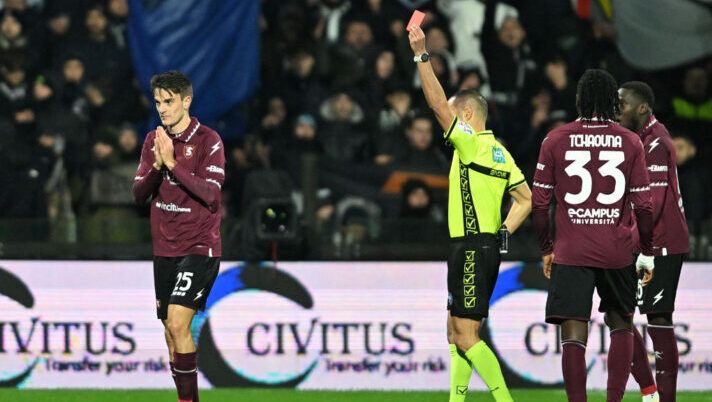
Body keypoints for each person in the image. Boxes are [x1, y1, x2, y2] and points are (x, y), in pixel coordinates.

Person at [408, 26, 532, 402]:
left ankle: (504, 400)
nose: (446, 116)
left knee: (465, 334)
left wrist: (421, 55)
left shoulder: (470, 144)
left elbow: (434, 104)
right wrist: (504, 232)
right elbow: (525, 198)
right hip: (482, 247)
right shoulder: (501, 153)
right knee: (454, 331)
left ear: (465, 113)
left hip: (471, 249)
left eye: (452, 111)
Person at [531, 69, 655, 402]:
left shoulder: (555, 139)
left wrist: (546, 247)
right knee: (621, 324)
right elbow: (644, 205)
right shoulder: (630, 142)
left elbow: (539, 203)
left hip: (570, 252)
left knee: (573, 334)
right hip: (617, 251)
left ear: (579, 99)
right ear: (613, 102)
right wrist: (646, 251)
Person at [132, 71, 225, 402]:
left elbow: (212, 196)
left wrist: (173, 163)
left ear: (186, 101)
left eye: (169, 101)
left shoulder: (208, 141)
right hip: (165, 247)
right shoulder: (153, 141)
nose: (162, 109)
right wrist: (158, 165)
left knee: (177, 323)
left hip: (199, 246)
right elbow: (139, 194)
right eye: (158, 102)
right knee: (171, 335)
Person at [619, 81, 689, 402]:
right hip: (644, 240)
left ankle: (664, 397)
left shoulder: (657, 142)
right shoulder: (637, 140)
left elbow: (654, 202)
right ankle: (650, 392)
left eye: (623, 104)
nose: (617, 110)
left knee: (658, 318)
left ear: (642, 108)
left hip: (661, 243)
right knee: (618, 314)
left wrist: (630, 245)